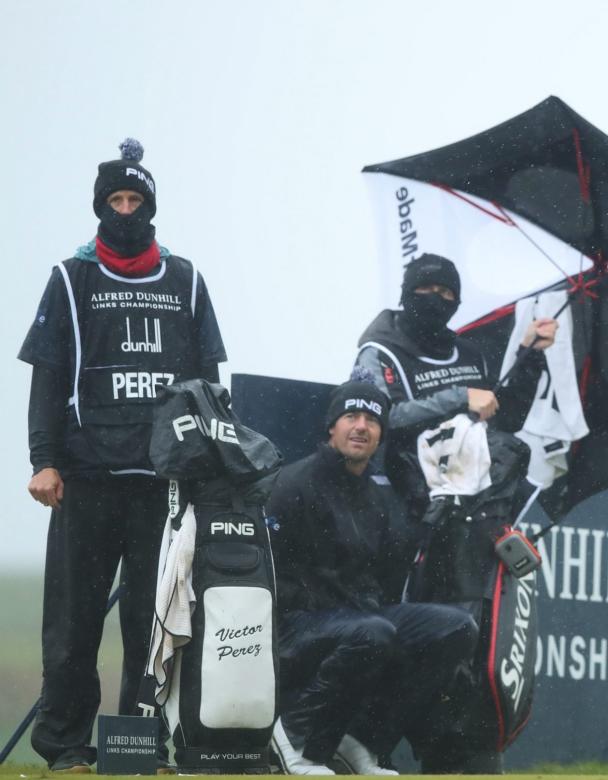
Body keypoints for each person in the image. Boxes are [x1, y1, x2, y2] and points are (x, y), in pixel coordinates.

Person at [18, 139, 228, 773]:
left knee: (154, 626)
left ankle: (140, 746)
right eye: (116, 200)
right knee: (73, 626)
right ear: (100, 206)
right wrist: (42, 460)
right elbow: (48, 380)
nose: (127, 210)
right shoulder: (70, 277)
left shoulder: (186, 279)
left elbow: (212, 382)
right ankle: (66, 748)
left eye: (137, 200)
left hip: (163, 485)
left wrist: (213, 462)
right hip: (83, 480)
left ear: (152, 206)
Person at [352, 253, 556, 772]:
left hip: (473, 522)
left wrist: (530, 356)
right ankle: (373, 744)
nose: (437, 302)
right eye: (428, 292)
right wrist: (456, 398)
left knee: (471, 642)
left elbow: (500, 416)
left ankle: (463, 752)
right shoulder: (380, 351)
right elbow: (377, 417)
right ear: (407, 292)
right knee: (421, 640)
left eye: (448, 295)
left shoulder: (471, 350)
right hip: (408, 520)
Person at [266, 373, 479, 776]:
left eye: (373, 420)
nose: (362, 426)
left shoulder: (378, 497)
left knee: (457, 628)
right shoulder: (293, 483)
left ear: (381, 434)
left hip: (360, 620)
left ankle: (361, 741)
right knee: (374, 630)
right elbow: (270, 573)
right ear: (332, 426)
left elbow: (381, 577)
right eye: (352, 417)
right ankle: (293, 734)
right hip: (294, 625)